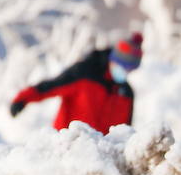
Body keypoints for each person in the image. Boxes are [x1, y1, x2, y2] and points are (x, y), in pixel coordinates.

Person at [9, 33, 139, 133]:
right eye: (122, 65)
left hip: (99, 160)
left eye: (129, 69)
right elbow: (50, 87)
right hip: (65, 148)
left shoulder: (126, 94)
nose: (124, 71)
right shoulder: (85, 73)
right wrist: (23, 98)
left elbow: (124, 132)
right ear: (113, 58)